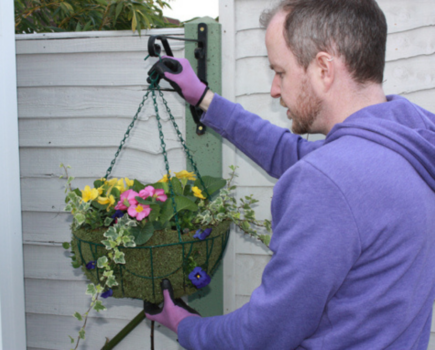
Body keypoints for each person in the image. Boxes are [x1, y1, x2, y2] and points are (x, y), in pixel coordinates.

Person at [145, 0, 435, 348]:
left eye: (280, 72)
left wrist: (187, 326)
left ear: (324, 69)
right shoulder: (409, 144)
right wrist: (205, 99)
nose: (273, 89)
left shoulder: (329, 180)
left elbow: (261, 336)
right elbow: (292, 154)